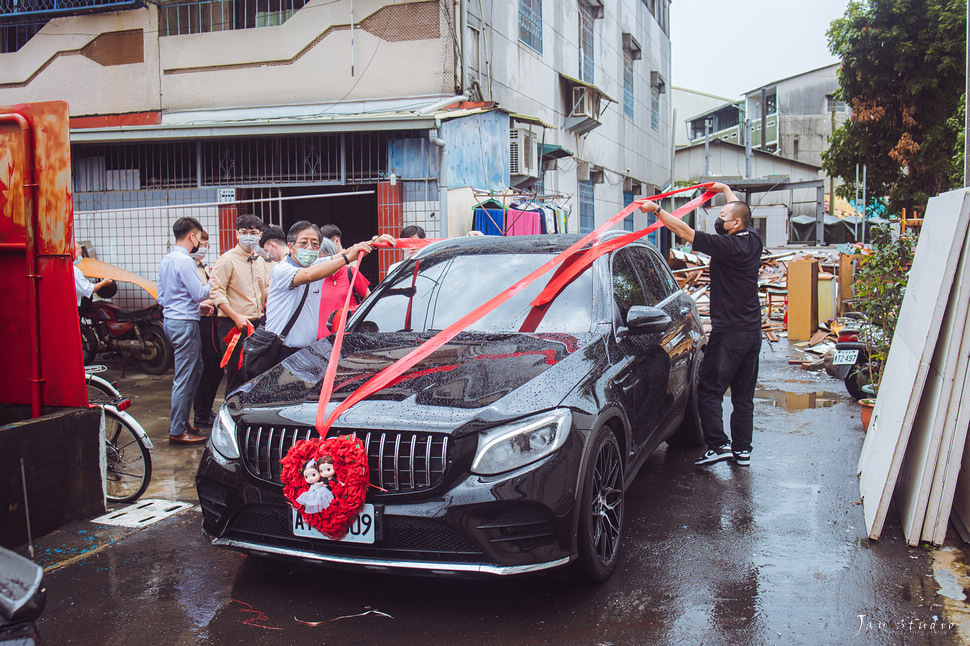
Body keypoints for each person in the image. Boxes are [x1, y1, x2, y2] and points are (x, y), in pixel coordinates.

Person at [639, 183, 762, 467]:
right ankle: (742, 451)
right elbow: (740, 208)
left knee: (708, 389)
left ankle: (718, 445)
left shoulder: (726, 246)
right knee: (744, 396)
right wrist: (725, 189)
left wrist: (657, 210)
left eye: (722, 216)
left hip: (729, 334)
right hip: (752, 333)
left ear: (736, 223)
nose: (719, 219)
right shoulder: (753, 238)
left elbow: (684, 232)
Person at [264, 222, 387, 359]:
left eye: (315, 244)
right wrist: (347, 258)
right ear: (291, 247)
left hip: (306, 351)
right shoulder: (282, 270)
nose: (309, 248)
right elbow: (308, 275)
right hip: (281, 351)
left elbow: (341, 255)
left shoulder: (314, 265)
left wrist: (374, 242)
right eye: (304, 243)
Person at [156, 217, 211, 445]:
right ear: (192, 236)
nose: (199, 242)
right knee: (185, 376)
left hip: (173, 320)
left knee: (194, 370)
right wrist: (216, 277)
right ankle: (177, 430)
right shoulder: (185, 261)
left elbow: (163, 297)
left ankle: (182, 421)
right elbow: (199, 293)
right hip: (185, 324)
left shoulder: (167, 259)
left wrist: (194, 307)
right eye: (199, 237)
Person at [210, 214, 270, 395]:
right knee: (236, 375)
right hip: (234, 326)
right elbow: (216, 293)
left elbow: (265, 290)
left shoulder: (260, 261)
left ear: (260, 235)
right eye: (244, 232)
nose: (249, 236)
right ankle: (231, 418)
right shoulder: (226, 260)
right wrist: (236, 317)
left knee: (255, 374)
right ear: (237, 234)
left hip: (257, 324)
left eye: (253, 232)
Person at [316, 226, 372, 338]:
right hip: (320, 339)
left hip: (348, 336)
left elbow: (371, 301)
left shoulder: (350, 273)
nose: (319, 263)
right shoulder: (315, 279)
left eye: (322, 258)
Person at [191, 231, 222, 429]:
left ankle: (205, 410)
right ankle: (201, 414)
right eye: (201, 243)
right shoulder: (188, 267)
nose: (203, 247)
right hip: (201, 320)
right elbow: (197, 296)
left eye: (206, 244)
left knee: (215, 368)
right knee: (207, 368)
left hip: (211, 319)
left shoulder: (200, 266)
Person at [73, 242, 113, 308]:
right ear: (73, 253)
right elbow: (87, 289)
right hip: (74, 307)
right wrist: (104, 282)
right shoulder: (75, 271)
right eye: (79, 253)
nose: (81, 256)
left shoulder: (66, 267)